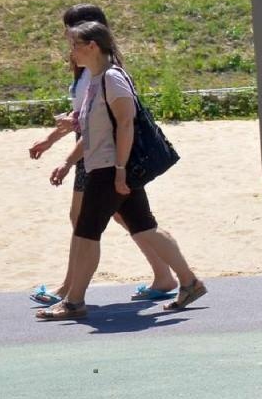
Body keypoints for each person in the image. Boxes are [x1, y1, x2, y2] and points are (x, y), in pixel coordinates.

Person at [35, 22, 206, 321]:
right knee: (144, 227)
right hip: (108, 166)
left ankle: (74, 301)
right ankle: (189, 282)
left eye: (75, 45)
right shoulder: (97, 80)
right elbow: (99, 128)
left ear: (93, 46)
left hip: (111, 168)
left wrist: (119, 170)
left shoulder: (112, 79)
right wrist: (71, 137)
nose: (71, 52)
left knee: (87, 232)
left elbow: (126, 125)